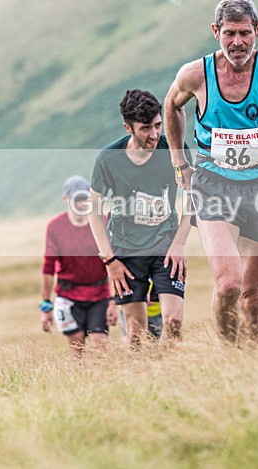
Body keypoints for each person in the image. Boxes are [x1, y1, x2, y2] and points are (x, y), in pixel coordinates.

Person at [163, 0, 258, 347]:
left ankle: (248, 360)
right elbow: (171, 105)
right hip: (212, 183)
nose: (237, 42)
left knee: (253, 294)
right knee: (229, 283)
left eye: (244, 33)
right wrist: (179, 162)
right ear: (215, 31)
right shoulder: (195, 74)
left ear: (257, 30)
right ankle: (228, 357)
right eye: (229, 33)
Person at [88, 89, 193, 347]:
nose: (154, 134)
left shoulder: (175, 149)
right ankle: (140, 372)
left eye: (158, 125)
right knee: (135, 333)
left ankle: (174, 370)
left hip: (166, 246)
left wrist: (179, 243)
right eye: (146, 128)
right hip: (126, 251)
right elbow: (93, 210)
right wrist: (109, 260)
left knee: (173, 322)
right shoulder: (108, 158)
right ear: (128, 128)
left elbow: (194, 197)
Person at [41, 175, 117, 358]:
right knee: (77, 345)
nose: (81, 204)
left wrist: (113, 301)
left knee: (100, 344)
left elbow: (112, 263)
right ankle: (78, 376)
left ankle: (102, 376)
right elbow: (48, 267)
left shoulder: (103, 221)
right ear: (65, 199)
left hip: (99, 294)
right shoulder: (55, 227)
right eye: (77, 199)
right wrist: (46, 305)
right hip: (69, 296)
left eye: (85, 199)